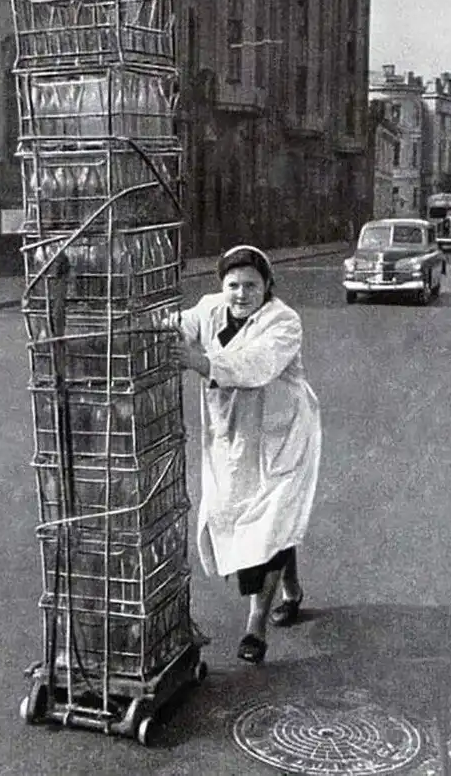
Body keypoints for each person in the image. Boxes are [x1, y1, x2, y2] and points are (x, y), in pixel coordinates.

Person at [168, 245, 322, 664]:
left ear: (267, 286)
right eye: (233, 285)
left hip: (282, 434)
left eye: (251, 285)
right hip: (234, 435)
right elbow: (177, 325)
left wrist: (200, 362)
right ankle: (292, 589)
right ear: (222, 286)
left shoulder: (283, 321)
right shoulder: (210, 308)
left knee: (270, 521)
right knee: (261, 522)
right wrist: (161, 330)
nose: (241, 293)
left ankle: (256, 625)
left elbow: (256, 364)